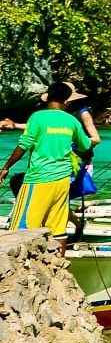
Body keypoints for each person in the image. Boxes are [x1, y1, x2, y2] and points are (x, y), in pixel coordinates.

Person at [3, 80, 88, 252]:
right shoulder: (71, 121)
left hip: (38, 179)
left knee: (21, 226)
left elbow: (24, 145)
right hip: (62, 181)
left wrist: (6, 166)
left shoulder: (37, 117)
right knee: (58, 228)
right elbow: (85, 145)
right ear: (66, 100)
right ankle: (59, 265)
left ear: (47, 97)